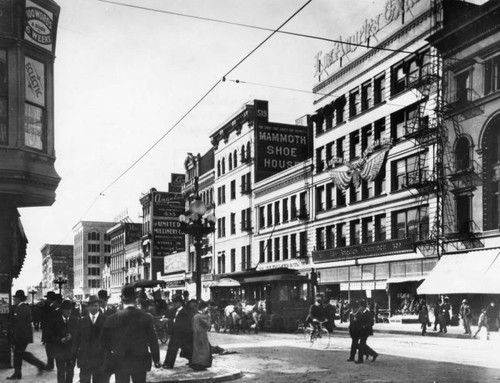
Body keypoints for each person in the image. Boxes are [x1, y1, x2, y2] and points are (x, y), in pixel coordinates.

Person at [101, 284, 160, 383]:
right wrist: (156, 359)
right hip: (140, 360)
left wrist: (110, 357)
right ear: (135, 299)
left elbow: (105, 342)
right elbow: (153, 340)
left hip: (120, 361)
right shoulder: (146, 317)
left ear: (122, 300)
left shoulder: (111, 318)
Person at [7, 290, 48, 380]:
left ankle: (39, 365)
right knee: (19, 354)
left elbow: (20, 324)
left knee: (19, 354)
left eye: (15, 298)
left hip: (21, 336)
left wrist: (15, 336)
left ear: (19, 299)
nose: (14, 300)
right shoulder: (20, 307)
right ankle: (18, 373)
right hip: (21, 335)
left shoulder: (23, 308)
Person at [73, 295, 107, 383]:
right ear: (88, 307)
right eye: (91, 306)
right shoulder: (81, 322)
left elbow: (110, 340)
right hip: (85, 360)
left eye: (96, 306)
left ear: (99, 306)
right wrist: (75, 356)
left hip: (101, 360)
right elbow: (76, 341)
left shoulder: (106, 320)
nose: (94, 308)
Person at [48, 299, 79, 383]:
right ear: (62, 310)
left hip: (71, 352)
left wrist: (72, 336)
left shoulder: (76, 320)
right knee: (61, 372)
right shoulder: (55, 321)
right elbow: (50, 337)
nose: (68, 311)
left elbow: (79, 335)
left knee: (70, 372)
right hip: (59, 351)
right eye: (66, 309)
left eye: (70, 309)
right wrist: (60, 340)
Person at [163, 295, 193, 368]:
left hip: (182, 334)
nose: (174, 304)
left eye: (176, 302)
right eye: (173, 302)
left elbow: (182, 324)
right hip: (176, 333)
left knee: (174, 348)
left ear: (180, 303)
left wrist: (169, 321)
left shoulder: (184, 312)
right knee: (176, 348)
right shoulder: (174, 310)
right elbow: (173, 319)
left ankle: (168, 364)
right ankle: (167, 363)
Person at [190, 301, 212, 371]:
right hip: (202, 335)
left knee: (197, 351)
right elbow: (208, 325)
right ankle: (201, 365)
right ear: (203, 308)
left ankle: (196, 365)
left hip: (195, 335)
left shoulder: (195, 316)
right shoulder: (200, 317)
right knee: (204, 351)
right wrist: (209, 317)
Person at [356, 300, 378, 364]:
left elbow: (371, 323)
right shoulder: (360, 312)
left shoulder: (369, 313)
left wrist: (365, 326)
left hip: (366, 331)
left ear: (364, 307)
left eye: (360, 306)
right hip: (360, 331)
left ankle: (360, 360)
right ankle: (373, 354)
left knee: (361, 345)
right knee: (359, 344)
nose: (359, 308)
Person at [41, 291, 57, 370]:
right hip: (49, 330)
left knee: (49, 348)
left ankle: (50, 364)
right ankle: (50, 364)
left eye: (47, 298)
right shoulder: (51, 306)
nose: (46, 299)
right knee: (49, 347)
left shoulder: (49, 306)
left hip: (50, 331)